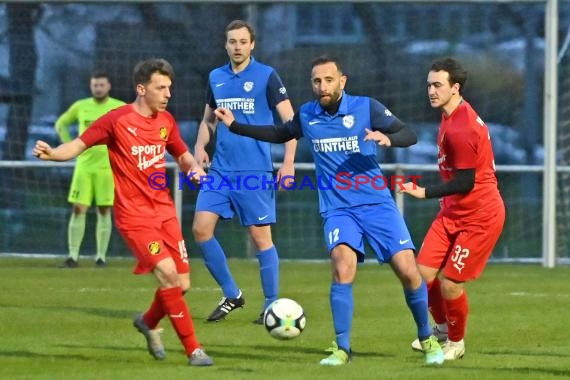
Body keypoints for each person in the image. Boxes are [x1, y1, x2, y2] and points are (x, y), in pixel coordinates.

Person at [214, 55, 444, 366]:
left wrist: (386, 137)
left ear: (342, 81)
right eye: (317, 81)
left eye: (328, 80)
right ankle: (342, 348)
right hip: (338, 209)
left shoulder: (366, 107)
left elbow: (409, 134)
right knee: (342, 267)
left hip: (377, 204)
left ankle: (427, 337)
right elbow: (280, 134)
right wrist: (236, 126)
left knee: (408, 271)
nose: (322, 86)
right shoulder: (307, 114)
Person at [33, 58, 214, 366]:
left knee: (182, 285)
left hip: (165, 214)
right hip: (135, 219)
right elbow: (76, 146)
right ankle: (194, 350)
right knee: (169, 276)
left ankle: (147, 322)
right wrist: (53, 154)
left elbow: (182, 155)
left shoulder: (166, 121)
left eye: (169, 87)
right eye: (161, 87)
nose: (168, 93)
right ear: (142, 89)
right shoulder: (115, 120)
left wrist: (194, 169)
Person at [399, 58, 505, 360]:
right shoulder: (450, 115)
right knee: (420, 275)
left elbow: (465, 181)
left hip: (479, 217)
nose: (431, 91)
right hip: (453, 212)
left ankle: (456, 343)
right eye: (429, 85)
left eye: (437, 85)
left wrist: (424, 191)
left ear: (455, 87)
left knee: (449, 283)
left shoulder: (462, 127)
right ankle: (443, 329)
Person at [192, 19, 297, 324]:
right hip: (221, 171)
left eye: (242, 41)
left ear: (252, 45)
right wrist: (200, 148)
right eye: (232, 42)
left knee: (261, 238)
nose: (237, 47)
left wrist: (288, 162)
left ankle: (271, 305)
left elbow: (290, 123)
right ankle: (232, 293)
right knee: (201, 229)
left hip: (255, 171)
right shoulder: (216, 77)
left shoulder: (266, 76)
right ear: (225, 45)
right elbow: (208, 121)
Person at [55, 71, 124, 268]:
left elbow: (134, 127)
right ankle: (73, 256)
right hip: (84, 167)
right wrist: (69, 146)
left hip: (107, 167)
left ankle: (101, 257)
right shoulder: (81, 106)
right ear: (91, 86)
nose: (98, 88)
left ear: (108, 86)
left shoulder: (118, 107)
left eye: (101, 85)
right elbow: (61, 124)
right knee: (79, 209)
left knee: (104, 210)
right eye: (95, 85)